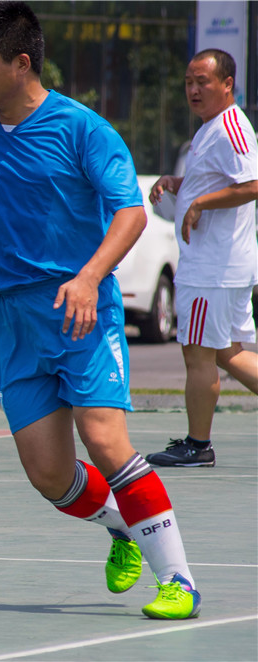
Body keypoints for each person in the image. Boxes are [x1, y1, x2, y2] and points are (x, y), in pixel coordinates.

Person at [0, 1, 201, 620]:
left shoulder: (82, 128)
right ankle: (122, 526)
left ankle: (179, 581)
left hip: (81, 311)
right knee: (50, 476)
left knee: (105, 440)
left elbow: (132, 214)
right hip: (13, 319)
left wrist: (89, 279)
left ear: (21, 63)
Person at [144, 49, 258, 468]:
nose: (193, 90)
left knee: (198, 353)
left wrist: (199, 204)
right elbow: (220, 180)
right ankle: (197, 444)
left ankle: (197, 445)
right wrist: (180, 184)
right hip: (217, 267)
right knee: (228, 353)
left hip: (213, 269)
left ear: (227, 84)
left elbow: (252, 184)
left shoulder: (231, 127)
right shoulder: (211, 128)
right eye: (189, 82)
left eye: (202, 82)